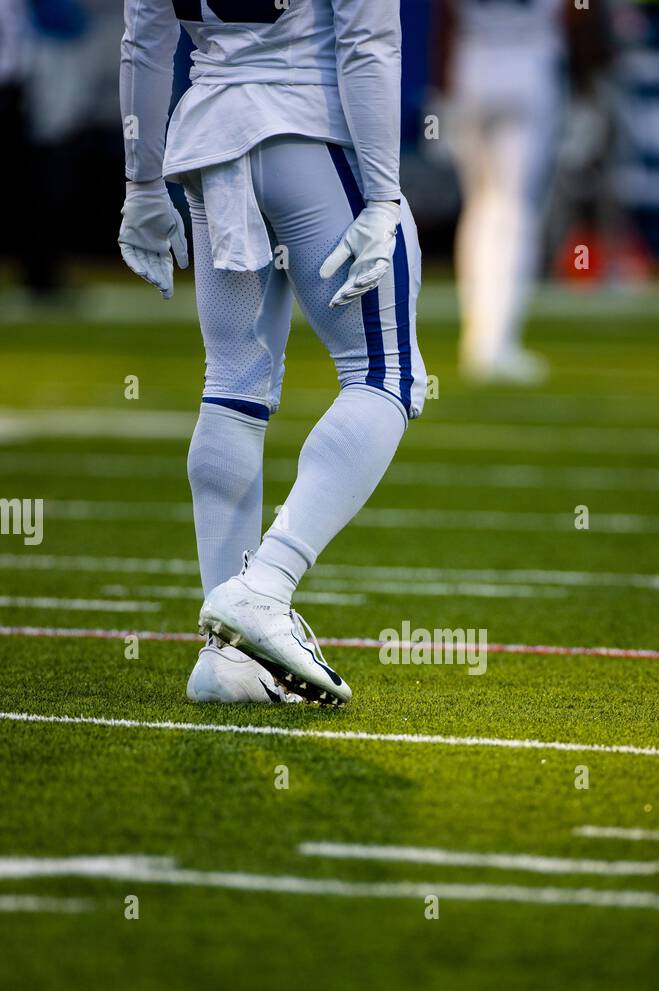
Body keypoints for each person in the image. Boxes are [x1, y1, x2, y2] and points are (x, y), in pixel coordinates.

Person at [118, 0, 426, 706]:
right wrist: (381, 194)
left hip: (211, 135)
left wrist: (142, 183)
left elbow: (145, 38)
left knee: (232, 384)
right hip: (314, 129)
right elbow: (367, 35)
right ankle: (265, 586)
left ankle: (226, 658)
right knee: (387, 373)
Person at [436, 0, 571, 384]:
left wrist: (442, 89)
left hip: (473, 63)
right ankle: (495, 343)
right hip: (529, 62)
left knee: (480, 208)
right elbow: (578, 15)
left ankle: (479, 338)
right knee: (514, 212)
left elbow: (444, 14)